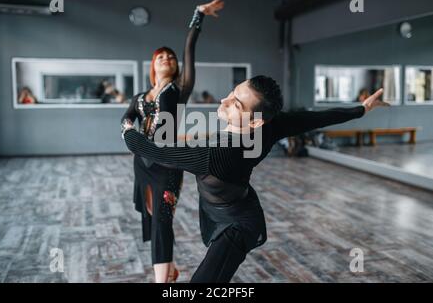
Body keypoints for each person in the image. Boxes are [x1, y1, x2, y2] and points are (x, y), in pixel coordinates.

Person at [121, 75, 390, 282]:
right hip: (228, 205)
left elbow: (152, 150)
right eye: (232, 93)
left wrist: (127, 128)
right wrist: (360, 109)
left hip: (237, 226)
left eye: (236, 104)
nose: (224, 101)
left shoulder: (216, 155)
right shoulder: (269, 127)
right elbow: (314, 118)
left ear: (255, 122)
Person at [120, 0, 224, 283]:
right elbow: (126, 119)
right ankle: (171, 270)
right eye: (161, 56)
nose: (167, 58)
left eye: (171, 57)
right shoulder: (139, 97)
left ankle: (161, 282)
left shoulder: (179, 89)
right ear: (153, 64)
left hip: (168, 165)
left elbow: (189, 49)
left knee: (163, 222)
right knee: (155, 220)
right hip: (143, 164)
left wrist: (198, 16)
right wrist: (128, 130)